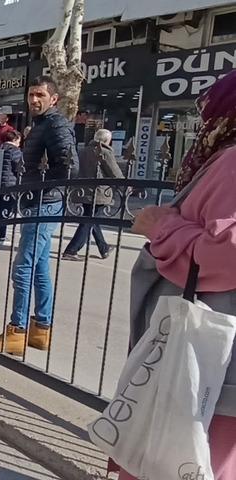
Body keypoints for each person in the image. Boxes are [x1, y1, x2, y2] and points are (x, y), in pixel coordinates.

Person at [120, 69, 236, 480]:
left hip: (205, 360)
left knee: (178, 462)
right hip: (210, 360)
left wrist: (162, 227)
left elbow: (227, 254)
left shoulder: (233, 161)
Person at [0, 75, 78, 356]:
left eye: (40, 95)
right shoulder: (42, 124)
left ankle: (17, 331)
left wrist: (41, 186)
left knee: (23, 267)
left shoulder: (55, 124)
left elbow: (69, 165)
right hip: (38, 202)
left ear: (54, 99)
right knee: (39, 268)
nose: (34, 100)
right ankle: (41, 330)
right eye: (31, 95)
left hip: (44, 203)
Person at [62, 129, 124, 261]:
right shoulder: (105, 152)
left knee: (92, 219)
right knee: (89, 221)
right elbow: (115, 172)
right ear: (107, 140)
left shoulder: (83, 151)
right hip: (99, 191)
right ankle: (71, 250)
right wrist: (126, 186)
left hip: (83, 190)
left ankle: (104, 248)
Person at [0, 129, 23, 245]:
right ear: (15, 139)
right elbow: (19, 167)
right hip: (9, 185)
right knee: (5, 213)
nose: (19, 143)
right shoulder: (15, 151)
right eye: (19, 140)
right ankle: (0, 236)